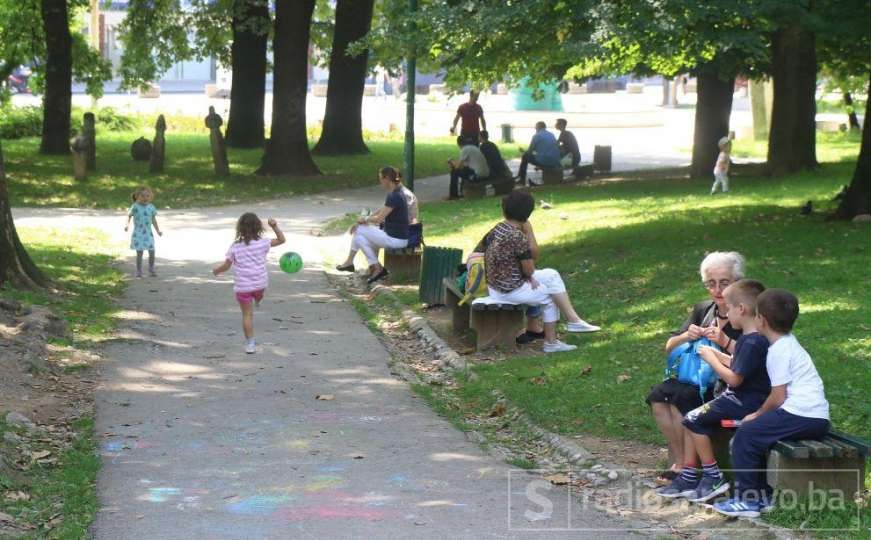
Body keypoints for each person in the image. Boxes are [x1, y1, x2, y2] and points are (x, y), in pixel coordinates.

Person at [714, 289, 830, 518]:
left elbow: (778, 397)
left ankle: (748, 500)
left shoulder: (778, 351)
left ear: (762, 321)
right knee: (753, 435)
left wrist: (756, 415)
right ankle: (762, 495)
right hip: (813, 416)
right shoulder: (786, 342)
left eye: (756, 315)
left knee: (746, 434)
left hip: (802, 414)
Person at [657, 279, 770, 502]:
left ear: (741, 309)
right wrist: (717, 354)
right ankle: (691, 474)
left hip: (744, 401)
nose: (725, 314)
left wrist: (712, 360)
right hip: (743, 399)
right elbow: (739, 363)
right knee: (693, 415)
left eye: (728, 309)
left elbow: (735, 379)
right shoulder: (752, 339)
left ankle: (712, 475)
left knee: (693, 419)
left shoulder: (752, 341)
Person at [646, 251, 743, 483]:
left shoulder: (744, 312)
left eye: (724, 283)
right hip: (698, 377)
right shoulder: (703, 309)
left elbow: (755, 356)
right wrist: (686, 336)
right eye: (711, 284)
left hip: (726, 383)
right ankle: (680, 463)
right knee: (659, 396)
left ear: (737, 283)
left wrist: (723, 341)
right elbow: (669, 346)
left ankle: (690, 468)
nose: (717, 290)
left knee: (682, 396)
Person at [477, 191, 600, 354]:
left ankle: (574, 320)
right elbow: (529, 268)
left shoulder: (498, 228)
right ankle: (551, 343)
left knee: (552, 275)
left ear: (504, 210)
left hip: (496, 285)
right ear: (528, 214)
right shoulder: (517, 236)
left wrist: (526, 275)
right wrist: (528, 275)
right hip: (508, 290)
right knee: (550, 296)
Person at [212, 214, 285, 354]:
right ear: (259, 227)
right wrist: (275, 226)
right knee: (258, 295)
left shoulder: (235, 247)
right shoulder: (263, 243)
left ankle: (250, 345)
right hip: (260, 284)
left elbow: (226, 266)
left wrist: (216, 271)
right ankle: (258, 299)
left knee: (247, 315)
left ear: (239, 229)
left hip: (243, 287)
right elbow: (282, 240)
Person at [336, 166, 410, 284]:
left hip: (395, 239)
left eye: (380, 178)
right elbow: (383, 209)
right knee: (359, 237)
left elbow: (379, 219)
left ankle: (356, 263)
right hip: (395, 237)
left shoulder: (394, 195)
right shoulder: (397, 193)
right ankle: (374, 267)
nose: (380, 181)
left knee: (359, 229)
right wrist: (363, 219)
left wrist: (364, 219)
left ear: (386, 178)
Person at [124, 186, 163, 278]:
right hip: (138, 233)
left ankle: (151, 267)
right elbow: (129, 216)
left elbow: (153, 220)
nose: (145, 198)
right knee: (139, 253)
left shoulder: (151, 207)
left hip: (148, 233)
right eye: (142, 196)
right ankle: (139, 270)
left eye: (147, 196)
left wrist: (158, 230)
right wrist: (127, 225)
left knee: (152, 251)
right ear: (137, 196)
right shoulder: (135, 207)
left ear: (151, 197)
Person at [517, 121, 561, 186]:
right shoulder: (551, 135)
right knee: (539, 156)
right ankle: (522, 179)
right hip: (555, 161)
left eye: (536, 128)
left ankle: (521, 179)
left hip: (545, 161)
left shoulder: (536, 136)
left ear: (538, 127)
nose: (535, 130)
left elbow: (530, 151)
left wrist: (523, 151)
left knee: (525, 156)